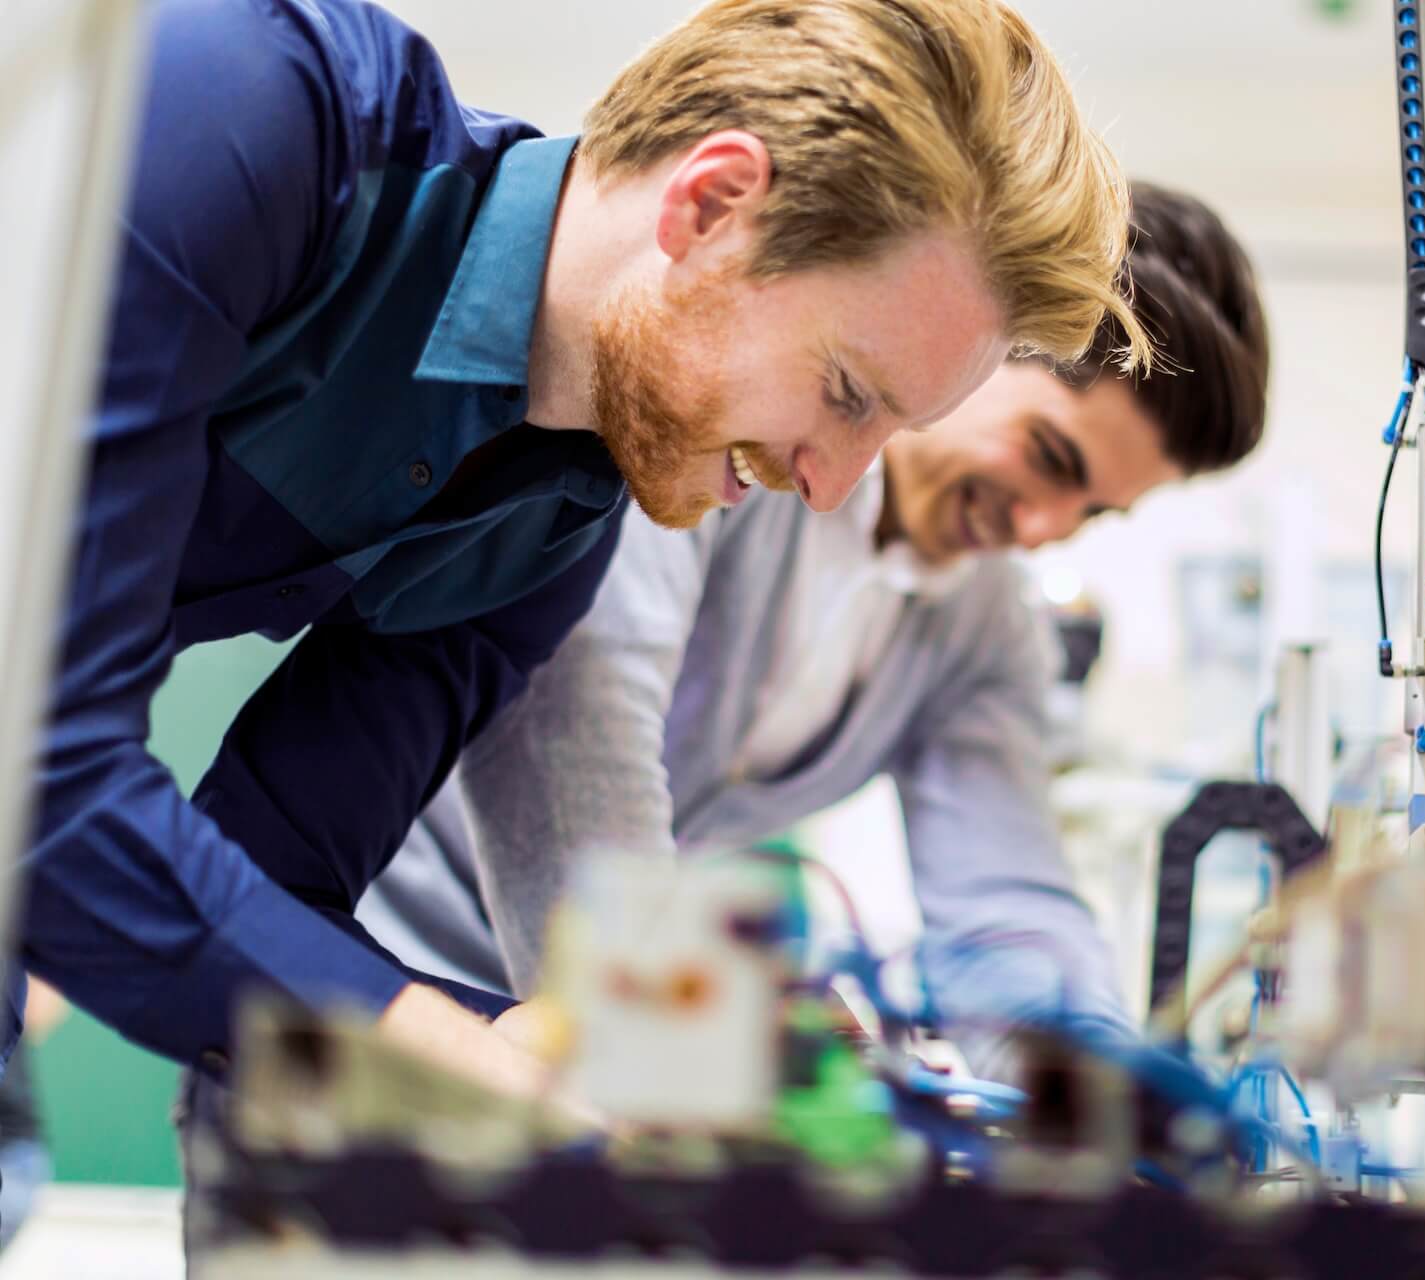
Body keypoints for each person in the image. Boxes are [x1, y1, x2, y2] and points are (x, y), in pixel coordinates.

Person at [20, 0, 1148, 1099]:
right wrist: (468, 1056)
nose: (830, 485)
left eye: (893, 429)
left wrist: (578, 1055)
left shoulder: (551, 527)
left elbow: (275, 888)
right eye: (846, 393)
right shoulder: (251, 107)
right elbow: (45, 777)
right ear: (711, 205)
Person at [359, 183, 1271, 1080]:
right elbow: (581, 733)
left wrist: (1093, 1102)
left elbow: (1005, 905)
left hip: (598, 1040)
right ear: (984, 346)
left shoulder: (986, 629)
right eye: (1049, 459)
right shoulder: (742, 445)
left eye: (1093, 513)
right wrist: (690, 1037)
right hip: (391, 981)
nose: (1041, 529)